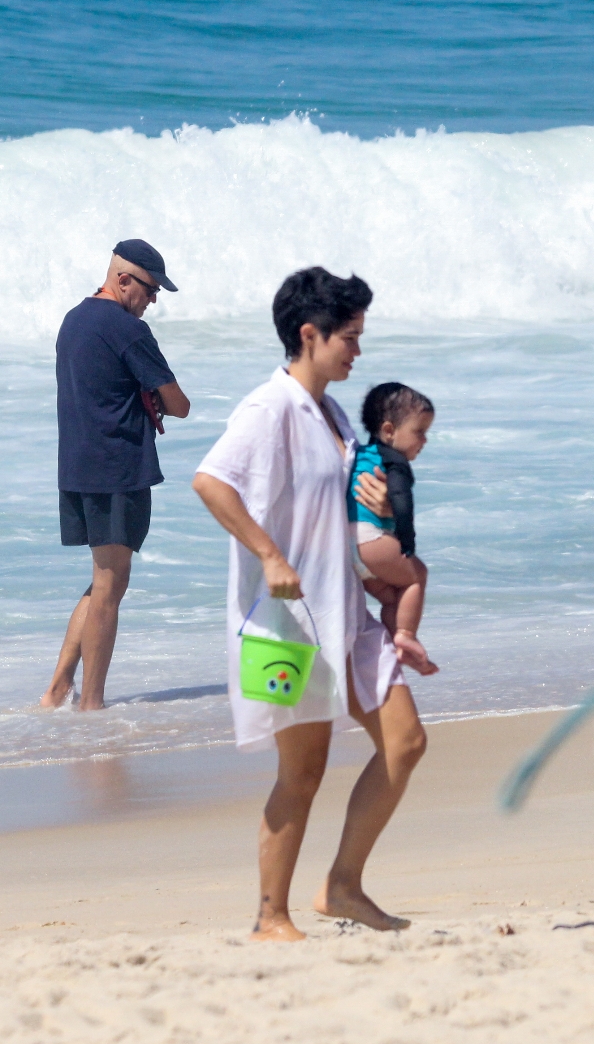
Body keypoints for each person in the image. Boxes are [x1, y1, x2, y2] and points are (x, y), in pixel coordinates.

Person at [192, 266, 427, 942]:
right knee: (303, 770)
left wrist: (373, 515)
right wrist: (269, 554)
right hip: (282, 625)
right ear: (309, 333)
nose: (358, 350)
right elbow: (211, 482)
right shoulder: (269, 408)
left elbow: (332, 508)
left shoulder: (330, 415)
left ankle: (343, 886)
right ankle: (271, 916)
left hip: (345, 615)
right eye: (349, 337)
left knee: (405, 742)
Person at [40, 240, 190, 712]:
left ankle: (59, 688)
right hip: (118, 468)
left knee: (103, 578)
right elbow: (180, 405)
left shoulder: (72, 321)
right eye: (149, 289)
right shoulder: (127, 330)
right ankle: (91, 705)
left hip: (77, 466)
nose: (152, 300)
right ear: (123, 278)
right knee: (110, 585)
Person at [347, 382, 438, 676]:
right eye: (419, 431)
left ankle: (396, 644)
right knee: (416, 577)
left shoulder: (360, 454)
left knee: (391, 597)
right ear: (389, 431)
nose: (424, 441)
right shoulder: (394, 462)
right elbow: (399, 498)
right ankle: (407, 636)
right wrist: (407, 540)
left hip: (347, 547)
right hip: (370, 540)